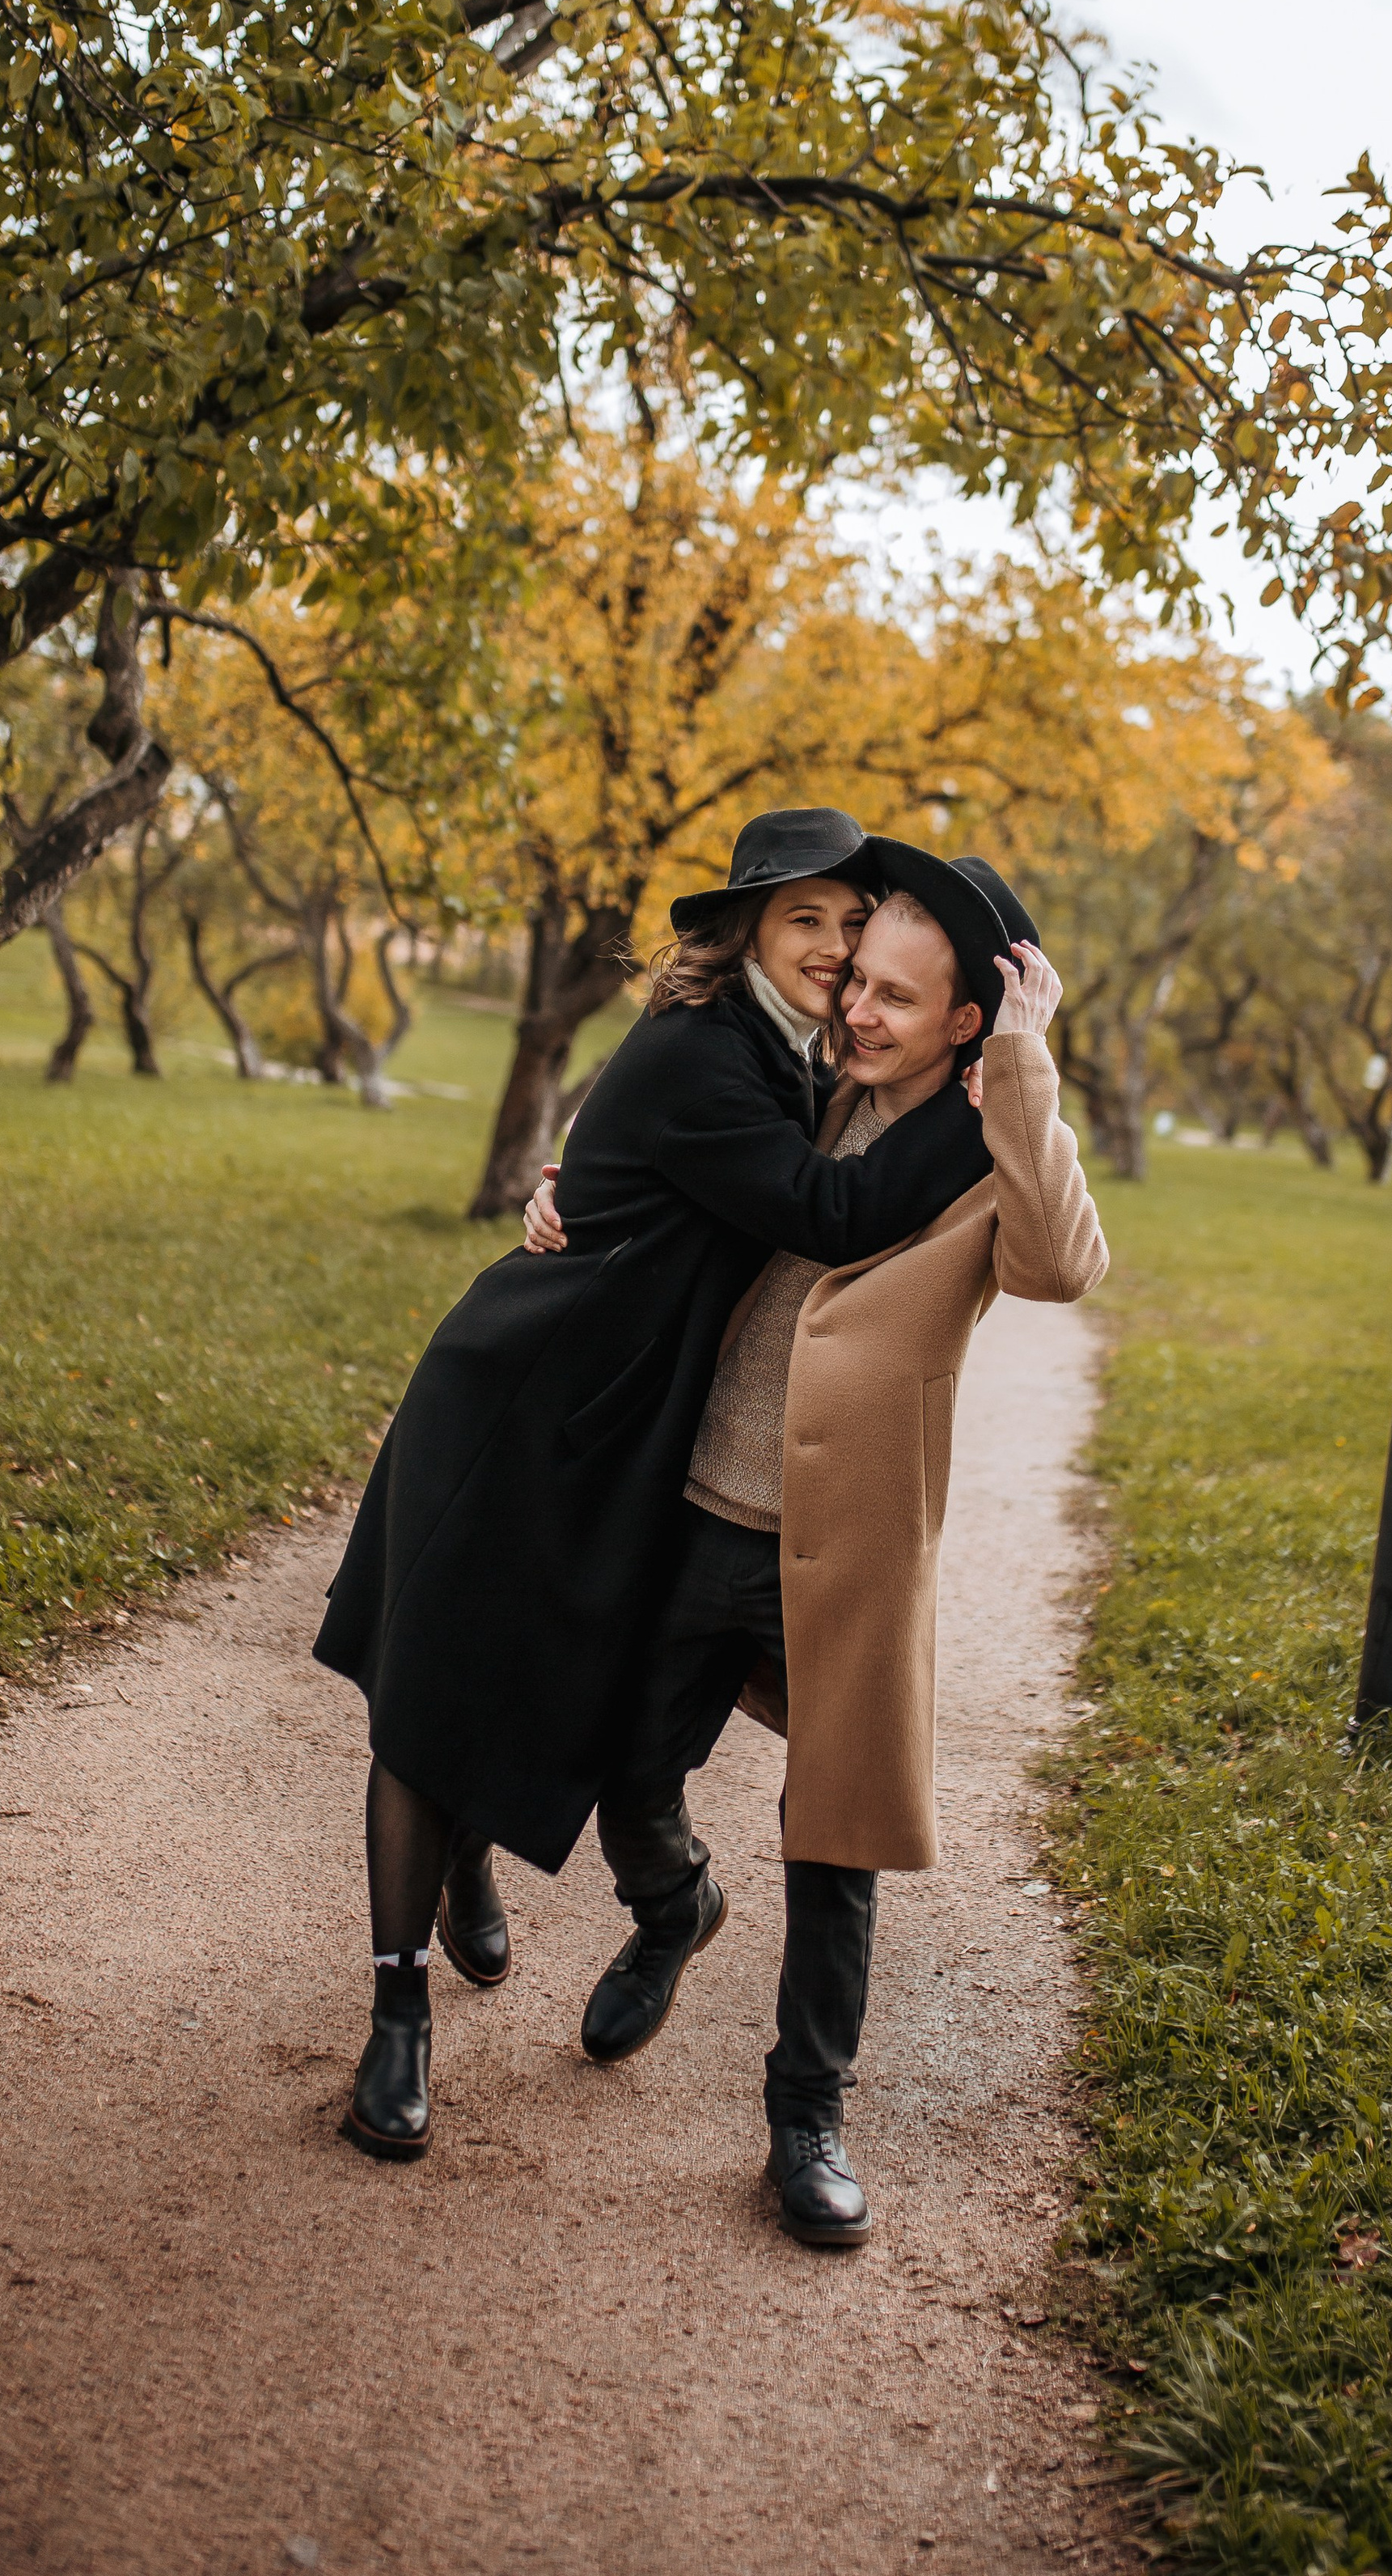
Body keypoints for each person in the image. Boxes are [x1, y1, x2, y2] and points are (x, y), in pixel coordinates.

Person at [312, 808, 994, 2162]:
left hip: (625, 1429)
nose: (836, 948)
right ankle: (397, 2013)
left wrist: (574, 1157)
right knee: (431, 1685)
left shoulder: (779, 1052)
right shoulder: (706, 1052)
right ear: (745, 928)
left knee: (561, 1675)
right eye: (808, 921)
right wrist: (979, 1115)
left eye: (852, 926)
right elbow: (835, 1210)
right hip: (522, 1400)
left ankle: (475, 1847)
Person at [523, 844, 1106, 2248]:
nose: (859, 1009)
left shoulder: (987, 1141)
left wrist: (1027, 1070)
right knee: (625, 1763)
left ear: (970, 1020)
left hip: (847, 1539)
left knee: (832, 1841)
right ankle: (672, 1903)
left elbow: (1064, 1263)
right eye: (857, 980)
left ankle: (808, 2119)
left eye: (898, 997)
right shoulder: (795, 1085)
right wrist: (567, 1188)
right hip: (703, 1502)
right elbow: (676, 1164)